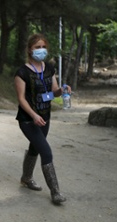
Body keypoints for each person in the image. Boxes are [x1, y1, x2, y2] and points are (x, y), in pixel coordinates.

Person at [14, 33, 71, 205]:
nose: (41, 50)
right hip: (28, 119)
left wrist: (62, 90)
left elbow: (53, 92)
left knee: (36, 147)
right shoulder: (22, 72)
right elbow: (21, 99)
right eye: (37, 47)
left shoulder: (49, 68)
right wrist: (33, 115)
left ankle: (26, 177)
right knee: (46, 151)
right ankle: (56, 192)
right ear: (30, 50)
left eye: (43, 47)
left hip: (45, 116)